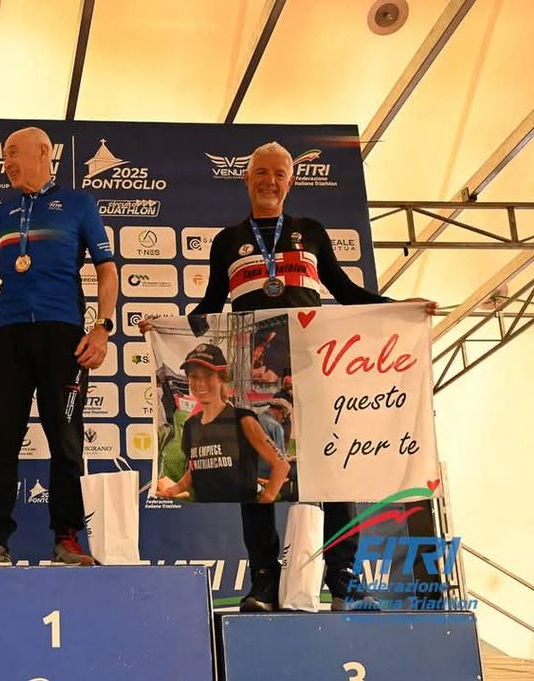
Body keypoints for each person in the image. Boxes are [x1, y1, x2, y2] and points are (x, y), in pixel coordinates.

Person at [142, 140, 434, 612]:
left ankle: (343, 581)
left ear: (290, 182)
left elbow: (345, 291)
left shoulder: (311, 232)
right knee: (250, 475)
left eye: (279, 174)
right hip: (251, 368)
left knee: (333, 472)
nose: (270, 181)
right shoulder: (227, 240)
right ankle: (264, 581)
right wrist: (165, 327)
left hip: (313, 366)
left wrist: (401, 308)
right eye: (262, 172)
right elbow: (211, 305)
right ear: (247, 178)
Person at [0, 126, 118, 567]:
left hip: (62, 335)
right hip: (10, 337)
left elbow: (107, 269)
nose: (6, 163)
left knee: (65, 440)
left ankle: (67, 538)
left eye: (14, 153)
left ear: (44, 153)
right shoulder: (4, 211)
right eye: (4, 155)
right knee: (0, 440)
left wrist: (103, 326)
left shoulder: (79, 204)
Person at [157, 344, 289, 503]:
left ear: (222, 378)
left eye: (208, 376)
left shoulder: (243, 420)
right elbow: (196, 468)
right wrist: (174, 489)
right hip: (203, 513)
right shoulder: (191, 425)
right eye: (194, 376)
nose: (200, 383)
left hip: (238, 514)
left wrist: (264, 502)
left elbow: (281, 466)